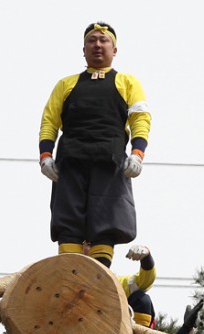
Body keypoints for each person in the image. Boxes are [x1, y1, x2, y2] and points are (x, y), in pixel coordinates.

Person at [39, 21, 151, 268]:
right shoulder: (65, 84)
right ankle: (68, 273)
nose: (98, 45)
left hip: (109, 160)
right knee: (68, 221)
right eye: (92, 40)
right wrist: (45, 155)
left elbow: (140, 118)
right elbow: (49, 120)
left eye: (104, 40)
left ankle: (99, 275)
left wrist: (137, 153)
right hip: (70, 161)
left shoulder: (127, 82)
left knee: (105, 221)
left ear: (115, 49)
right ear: (83, 49)